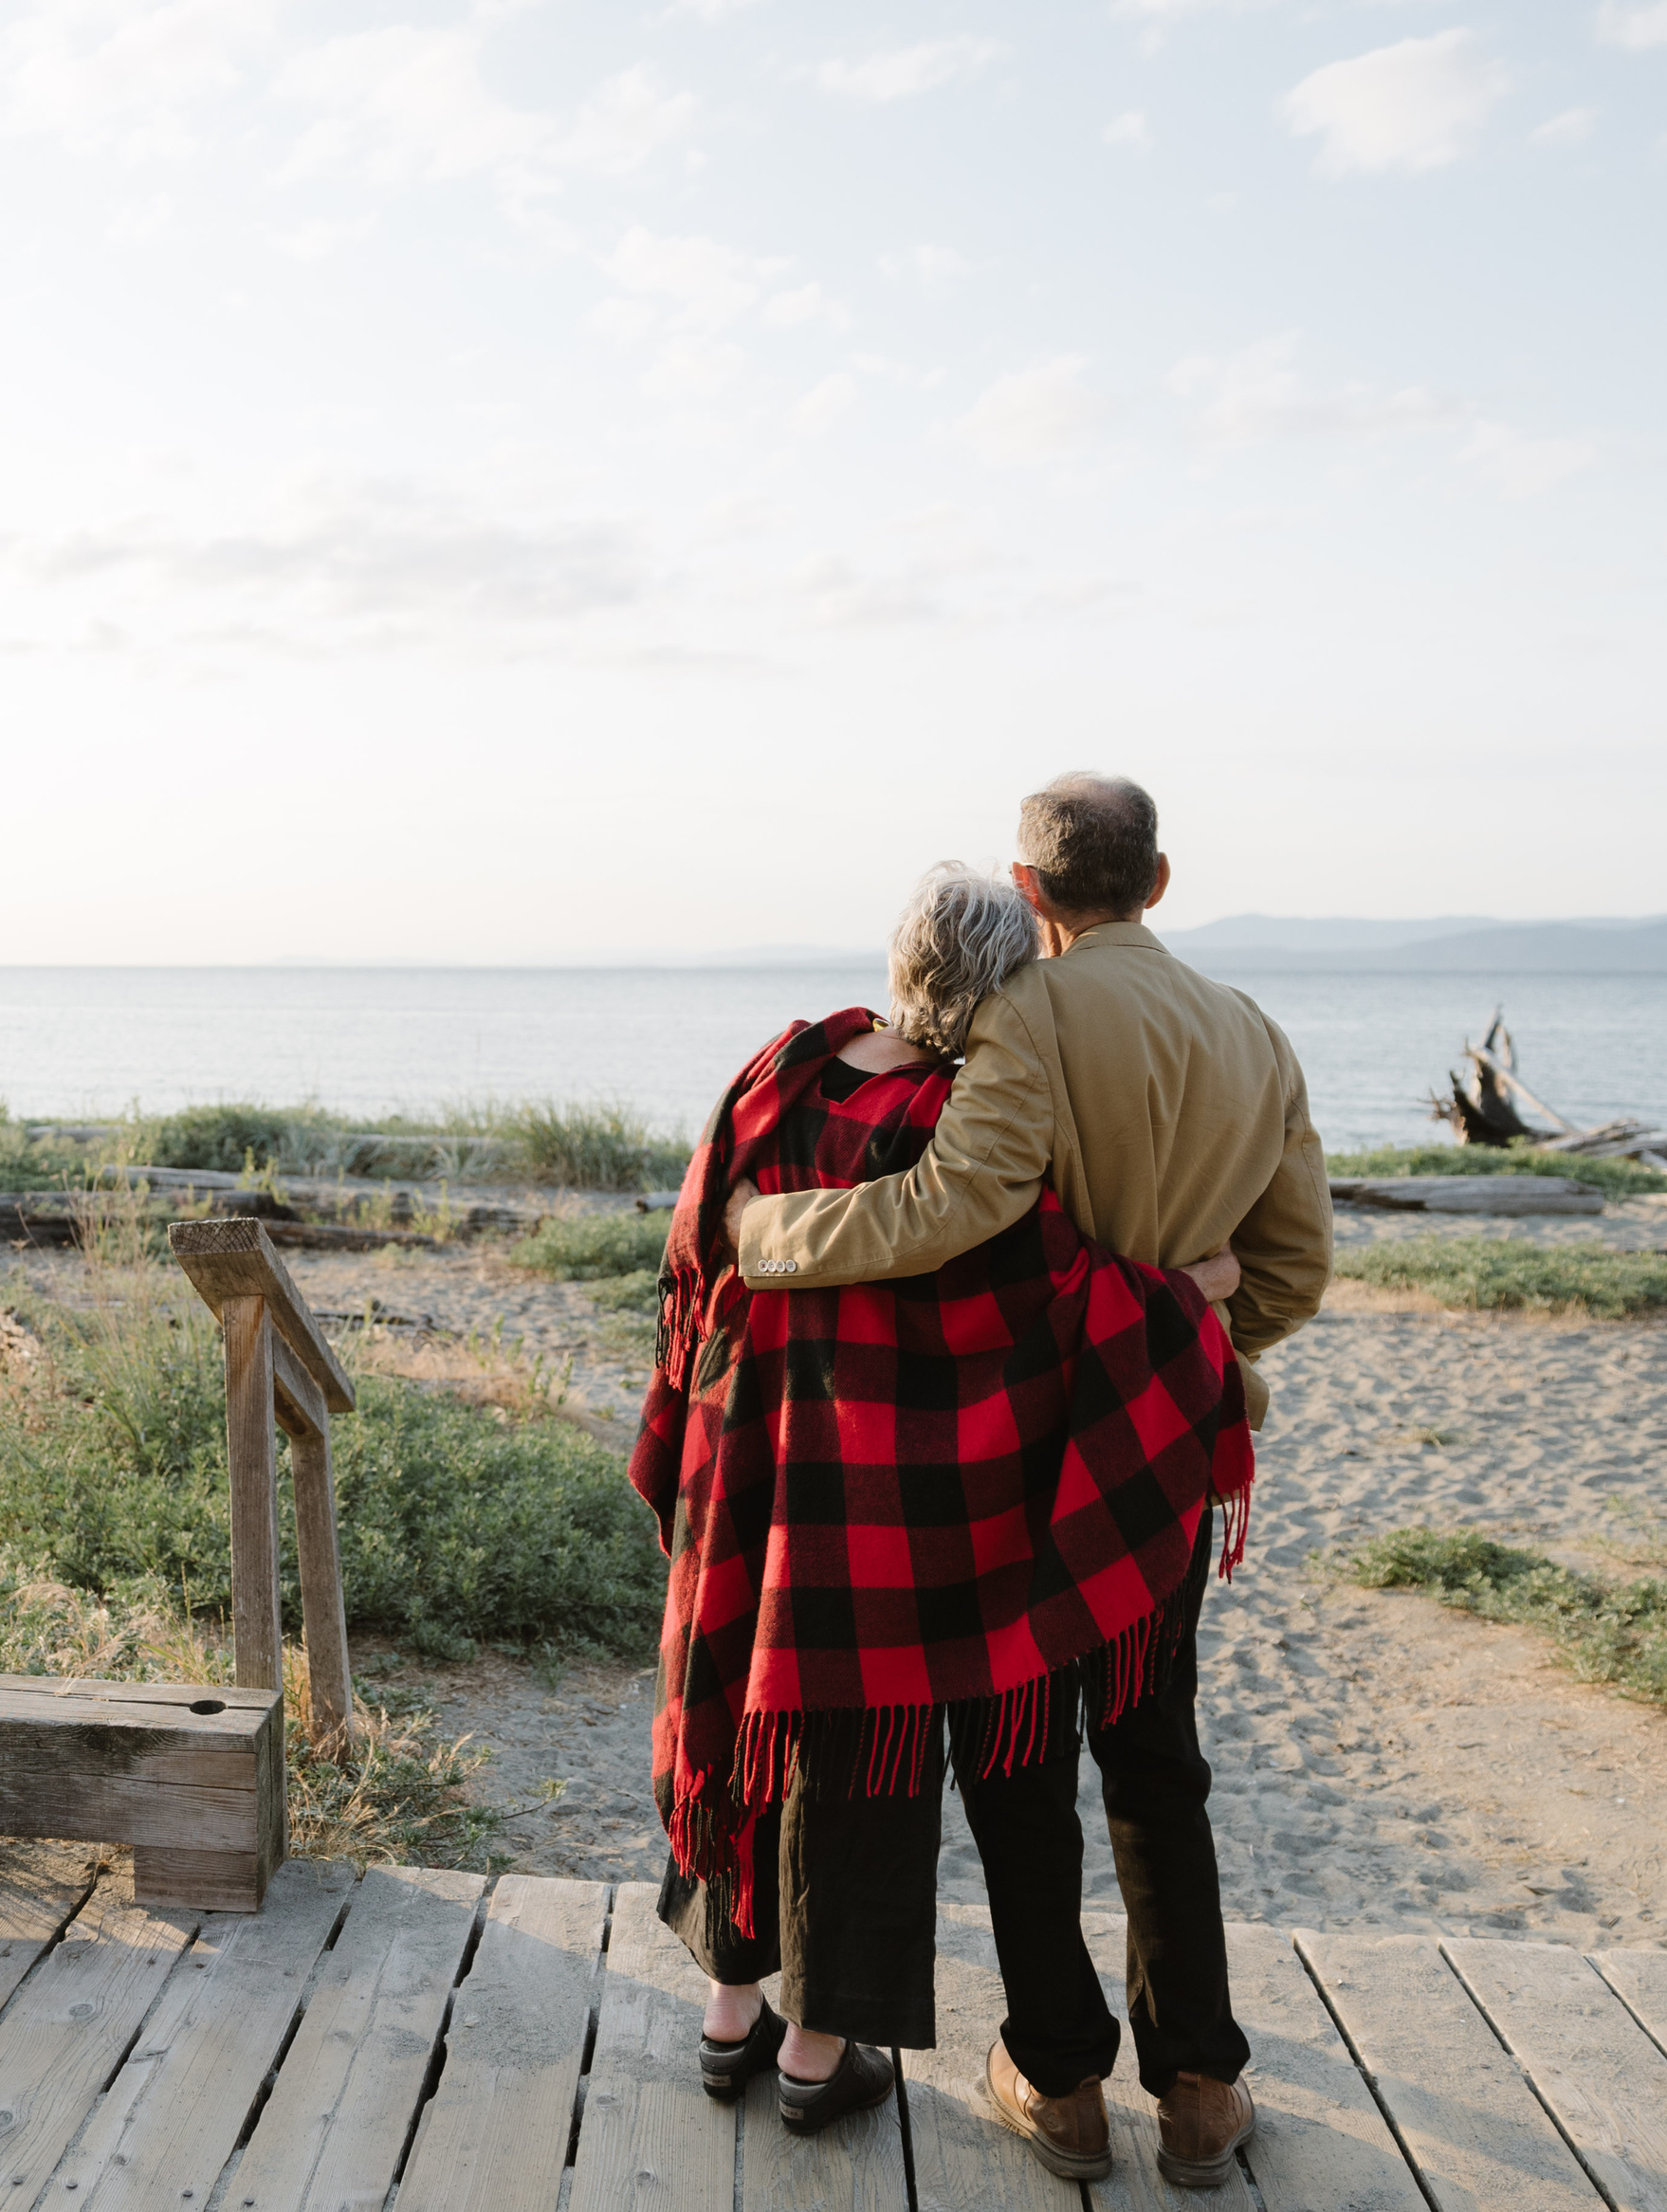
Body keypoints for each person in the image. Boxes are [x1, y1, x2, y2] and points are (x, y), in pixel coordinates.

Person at [722, 774, 1331, 2188]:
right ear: (1161, 880)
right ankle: (1196, 2086)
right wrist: (1185, 1316)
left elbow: (960, 1203)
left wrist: (770, 1235)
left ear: (1032, 887)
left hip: (1027, 1444)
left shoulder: (1025, 1016)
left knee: (1017, 1766)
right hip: (1166, 1454)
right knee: (1159, 1753)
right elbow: (1292, 1268)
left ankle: (1060, 2082)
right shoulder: (1256, 1032)